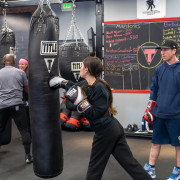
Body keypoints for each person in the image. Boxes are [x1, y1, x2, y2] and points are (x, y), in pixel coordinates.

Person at [49, 56, 152, 180]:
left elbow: (95, 113)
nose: (80, 69)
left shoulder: (100, 88)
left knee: (95, 166)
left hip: (106, 131)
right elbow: (74, 87)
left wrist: (81, 103)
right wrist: (62, 82)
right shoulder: (86, 83)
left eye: (81, 66)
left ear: (86, 69)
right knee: (129, 163)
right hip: (112, 128)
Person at [143, 39, 180, 180]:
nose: (162, 53)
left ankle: (178, 171)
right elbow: (154, 91)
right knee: (155, 142)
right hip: (160, 113)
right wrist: (149, 110)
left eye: (165, 50)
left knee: (178, 145)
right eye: (161, 50)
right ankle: (150, 169)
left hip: (177, 115)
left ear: (174, 50)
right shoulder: (159, 69)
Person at [0, 54, 32, 164]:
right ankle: (28, 156)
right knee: (24, 130)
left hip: (2, 106)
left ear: (4, 62)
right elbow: (27, 90)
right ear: (14, 62)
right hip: (17, 104)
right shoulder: (21, 73)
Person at [18, 58, 31, 136]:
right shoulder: (18, 73)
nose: (20, 66)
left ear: (26, 65)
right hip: (20, 98)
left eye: (22, 64)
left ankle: (29, 134)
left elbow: (27, 88)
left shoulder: (28, 74)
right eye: (19, 64)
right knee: (22, 118)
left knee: (27, 116)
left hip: (27, 98)